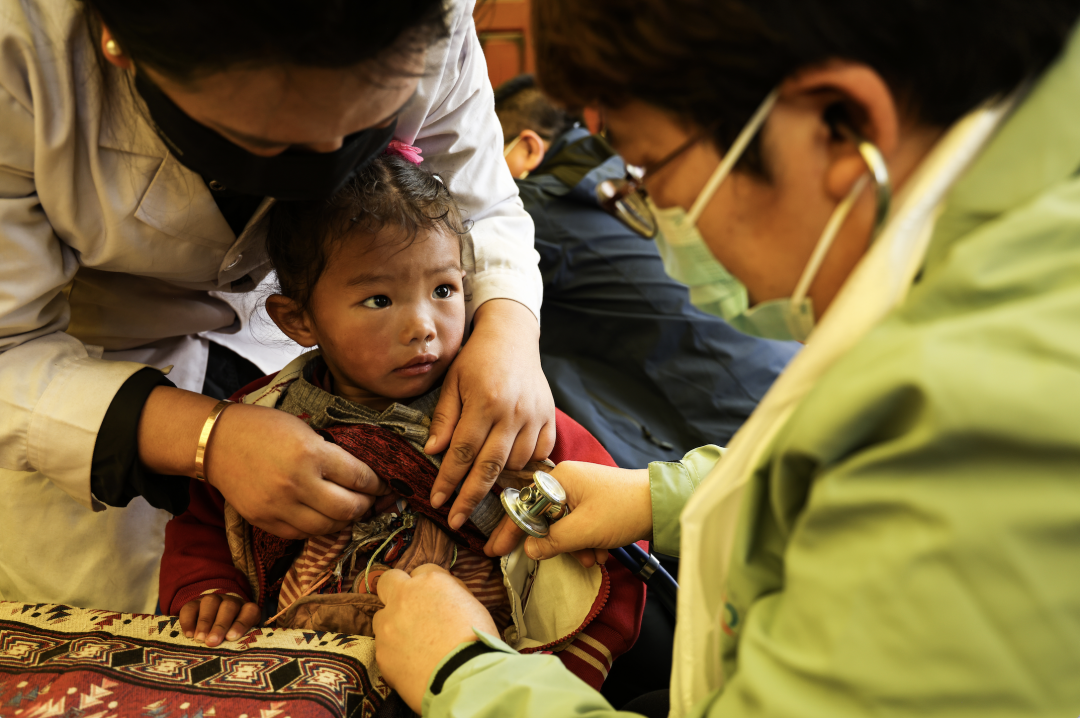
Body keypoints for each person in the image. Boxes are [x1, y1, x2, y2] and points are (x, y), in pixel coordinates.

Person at [370, 1, 1080, 716]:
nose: (665, 222)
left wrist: (463, 675)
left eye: (649, 172)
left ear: (841, 124)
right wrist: (667, 497)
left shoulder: (980, 413)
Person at [0, 0, 553, 614]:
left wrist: (507, 325)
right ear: (117, 42)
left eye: (366, 123)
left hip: (322, 327)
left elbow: (476, 205)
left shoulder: (430, 13)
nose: (324, 165)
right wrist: (205, 438)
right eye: (267, 141)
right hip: (87, 356)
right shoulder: (19, 48)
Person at [157, 147, 643, 694]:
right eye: (378, 299)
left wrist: (575, 663)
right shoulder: (260, 419)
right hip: (302, 677)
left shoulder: (504, 409)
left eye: (443, 290)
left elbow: (612, 530)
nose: (422, 326)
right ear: (298, 319)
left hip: (491, 677)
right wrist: (207, 588)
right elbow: (203, 521)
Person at [495, 74, 797, 471]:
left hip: (733, 415)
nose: (484, 181)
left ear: (530, 147)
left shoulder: (533, 214)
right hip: (787, 366)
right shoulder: (610, 176)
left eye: (484, 160)